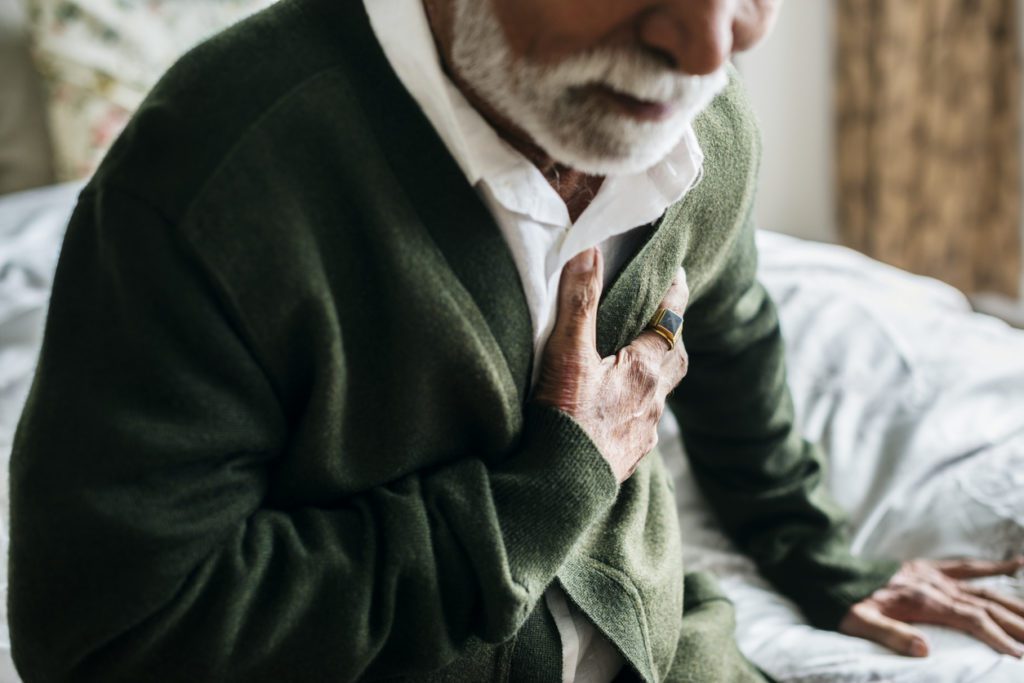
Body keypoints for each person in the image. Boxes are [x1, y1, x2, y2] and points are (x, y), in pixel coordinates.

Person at [9, 0, 1024, 680]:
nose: (712, 49)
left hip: (669, 646)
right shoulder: (212, 174)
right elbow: (111, 636)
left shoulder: (707, 126)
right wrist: (547, 490)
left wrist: (819, 556)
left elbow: (731, 331)